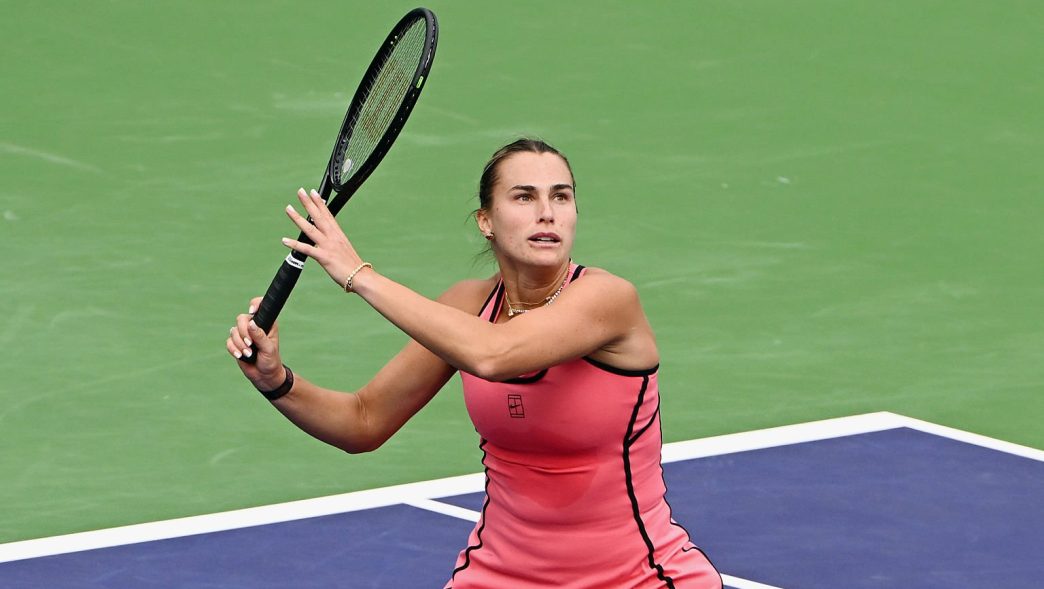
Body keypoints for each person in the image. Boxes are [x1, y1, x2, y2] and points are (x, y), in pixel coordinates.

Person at [226, 139, 722, 588]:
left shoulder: (606, 300)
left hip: (637, 579)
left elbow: (494, 354)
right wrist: (277, 381)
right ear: (486, 219)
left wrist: (357, 273)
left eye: (561, 197)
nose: (546, 213)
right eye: (524, 197)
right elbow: (364, 421)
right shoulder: (467, 307)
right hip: (500, 577)